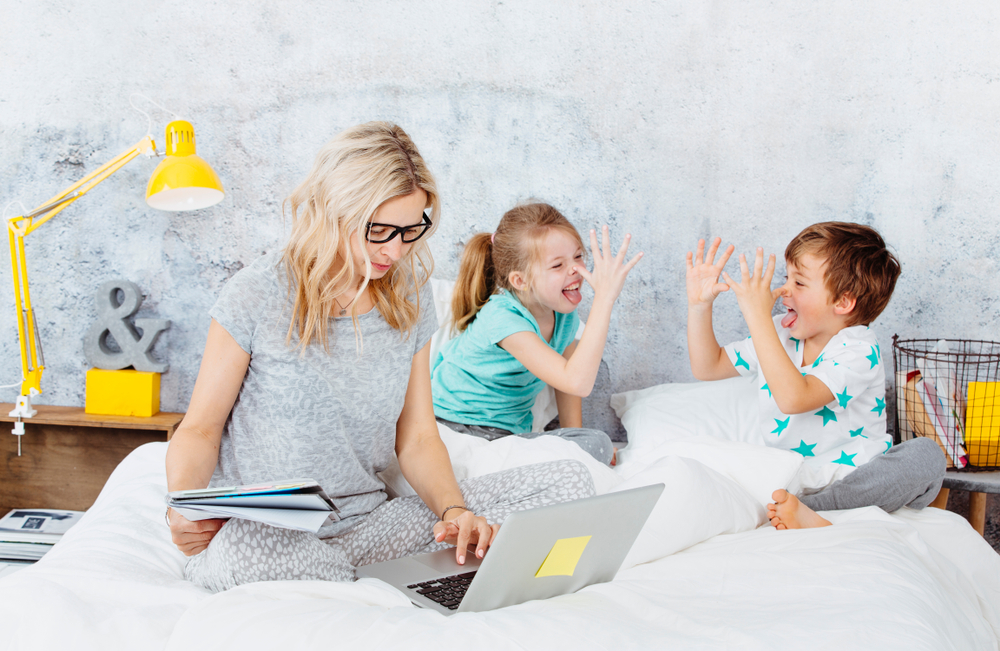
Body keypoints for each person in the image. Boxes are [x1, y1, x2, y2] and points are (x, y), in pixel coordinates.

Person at [164, 123, 595, 593]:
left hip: (369, 530)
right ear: (335, 212)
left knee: (568, 483)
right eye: (380, 231)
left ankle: (372, 585)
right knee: (242, 548)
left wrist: (455, 513)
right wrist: (182, 509)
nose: (396, 250)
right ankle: (386, 589)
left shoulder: (407, 293)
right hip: (269, 537)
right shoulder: (256, 294)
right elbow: (201, 430)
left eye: (412, 230)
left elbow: (415, 435)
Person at [685, 222, 944, 530]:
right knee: (704, 464)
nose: (783, 291)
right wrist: (699, 305)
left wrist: (757, 316)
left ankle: (813, 512)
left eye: (800, 283)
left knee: (925, 456)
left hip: (857, 476)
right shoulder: (780, 333)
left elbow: (795, 398)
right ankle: (795, 510)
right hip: (790, 479)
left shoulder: (859, 348)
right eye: (786, 278)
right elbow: (708, 366)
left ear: (843, 302)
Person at [431, 203, 642, 466]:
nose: (575, 269)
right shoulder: (503, 318)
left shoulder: (563, 315)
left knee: (594, 443)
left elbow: (567, 384)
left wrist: (576, 440)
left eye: (578, 256)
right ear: (520, 281)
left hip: (505, 432)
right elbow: (577, 381)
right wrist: (604, 299)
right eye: (557, 265)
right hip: (455, 425)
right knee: (593, 447)